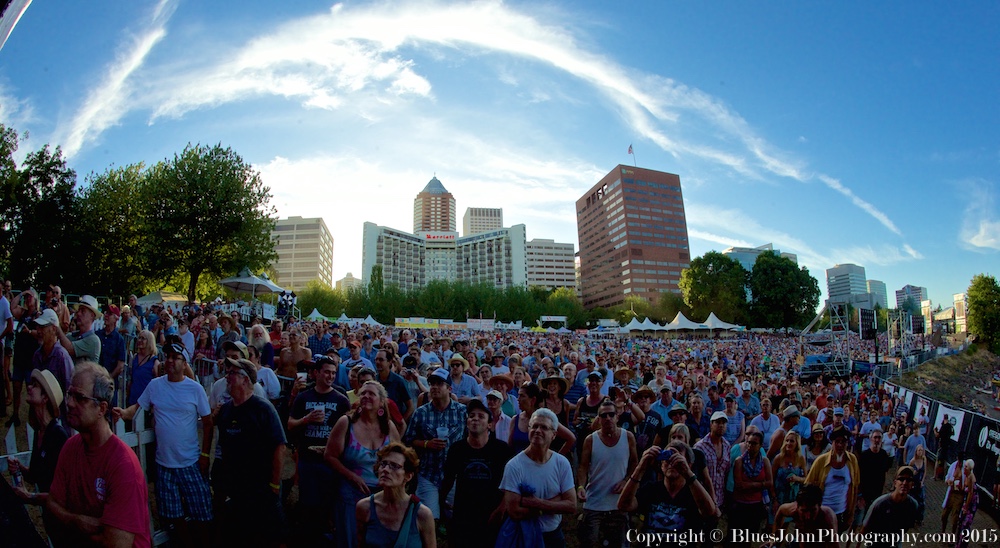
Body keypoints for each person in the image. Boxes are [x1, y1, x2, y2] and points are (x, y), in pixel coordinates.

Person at [113, 342, 214, 547]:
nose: (169, 360)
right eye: (167, 356)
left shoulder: (195, 389)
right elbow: (138, 407)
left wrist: (204, 455)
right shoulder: (155, 385)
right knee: (172, 515)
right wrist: (124, 413)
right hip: (164, 464)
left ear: (184, 363)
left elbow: (208, 421)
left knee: (202, 512)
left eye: (175, 357)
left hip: (190, 462)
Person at [47, 362, 151, 547]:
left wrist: (67, 521)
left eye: (80, 397)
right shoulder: (70, 447)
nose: (69, 403)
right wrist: (77, 521)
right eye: (70, 394)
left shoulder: (123, 465)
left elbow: (117, 543)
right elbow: (52, 504)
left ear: (102, 409)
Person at [215, 357, 287, 547]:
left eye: (232, 373)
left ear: (246, 379)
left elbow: (280, 446)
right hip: (236, 489)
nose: (227, 377)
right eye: (227, 372)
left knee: (271, 537)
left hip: (261, 489)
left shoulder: (263, 409)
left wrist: (274, 484)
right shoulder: (225, 411)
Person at [326, 380, 401, 548]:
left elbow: (399, 458)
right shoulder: (346, 423)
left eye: (371, 394)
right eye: (363, 393)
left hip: (382, 495)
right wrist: (353, 477)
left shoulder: (388, 426)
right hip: (351, 494)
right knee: (351, 540)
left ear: (382, 401)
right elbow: (330, 456)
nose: (366, 396)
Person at [287, 355, 350, 544]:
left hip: (330, 461)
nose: (330, 376)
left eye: (333, 373)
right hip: (307, 459)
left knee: (328, 504)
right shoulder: (304, 397)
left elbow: (348, 434)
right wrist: (306, 420)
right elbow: (290, 424)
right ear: (317, 373)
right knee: (307, 503)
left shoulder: (341, 400)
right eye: (327, 372)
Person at [499, 408, 577, 547]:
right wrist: (554, 503)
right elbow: (514, 512)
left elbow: (571, 506)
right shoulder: (514, 466)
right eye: (534, 426)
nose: (537, 430)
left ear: (554, 435)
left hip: (554, 535)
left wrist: (536, 503)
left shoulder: (561, 463)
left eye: (544, 427)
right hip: (524, 536)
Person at [440, 398, 512, 547]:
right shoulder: (456, 449)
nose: (475, 419)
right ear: (466, 422)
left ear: (490, 425)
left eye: (481, 416)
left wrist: (501, 509)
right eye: (471, 416)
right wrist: (442, 506)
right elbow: (447, 481)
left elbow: (511, 484)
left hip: (492, 515)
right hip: (463, 516)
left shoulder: (501, 450)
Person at [6, 369, 70, 533]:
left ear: (45, 398)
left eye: (34, 386)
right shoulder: (39, 432)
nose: (29, 387)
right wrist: (20, 468)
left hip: (63, 518)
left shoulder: (57, 436)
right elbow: (35, 475)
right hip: (50, 515)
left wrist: (29, 497)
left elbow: (62, 492)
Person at [403, 368, 467, 522]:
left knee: (455, 518)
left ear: (449, 389)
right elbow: (408, 440)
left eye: (439, 383)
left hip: (455, 474)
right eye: (432, 383)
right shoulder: (421, 412)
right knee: (428, 519)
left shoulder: (462, 412)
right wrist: (426, 444)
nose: (434, 387)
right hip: (428, 473)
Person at [617, 441, 719, 535]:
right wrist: (640, 468)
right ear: (661, 464)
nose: (671, 463)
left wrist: (688, 474)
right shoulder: (651, 490)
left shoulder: (694, 493)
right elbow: (623, 505)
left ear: (689, 464)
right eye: (666, 458)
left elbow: (709, 512)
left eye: (676, 458)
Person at [577, 399, 637, 548]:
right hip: (594, 502)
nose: (608, 418)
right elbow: (583, 467)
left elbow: (635, 463)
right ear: (599, 418)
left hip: (618, 503)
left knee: (618, 543)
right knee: (588, 542)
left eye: (611, 414)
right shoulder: (590, 440)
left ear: (617, 416)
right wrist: (580, 487)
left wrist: (626, 481)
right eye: (604, 415)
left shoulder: (628, 437)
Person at [355, 442, 436, 547]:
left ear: (408, 476)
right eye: (383, 464)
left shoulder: (422, 514)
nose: (386, 470)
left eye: (394, 466)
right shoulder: (365, 507)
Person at [804, 426, 859, 533]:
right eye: (837, 441)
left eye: (843, 442)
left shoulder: (852, 461)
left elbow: (855, 487)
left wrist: (851, 514)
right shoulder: (821, 461)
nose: (840, 445)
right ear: (832, 443)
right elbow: (807, 487)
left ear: (847, 443)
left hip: (841, 514)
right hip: (821, 513)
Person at [859, 466, 919, 548]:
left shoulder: (913, 505)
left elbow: (905, 528)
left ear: (912, 484)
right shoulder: (880, 503)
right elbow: (865, 528)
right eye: (901, 479)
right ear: (895, 483)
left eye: (909, 480)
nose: (904, 483)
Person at [509, 382, 575, 455]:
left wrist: (556, 458)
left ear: (533, 400)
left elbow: (571, 438)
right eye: (518, 395)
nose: (518, 399)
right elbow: (510, 447)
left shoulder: (546, 419)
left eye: (522, 396)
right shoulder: (515, 419)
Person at [6, 288, 40, 428]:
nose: (27, 300)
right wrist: (22, 293)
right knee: (17, 387)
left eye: (30, 297)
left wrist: (29, 332)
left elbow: (41, 334)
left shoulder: (38, 315)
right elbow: (12, 307)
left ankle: (32, 417)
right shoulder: (23, 313)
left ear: (36, 299)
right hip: (20, 357)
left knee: (31, 390)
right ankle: (15, 415)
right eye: (26, 298)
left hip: (30, 359)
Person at [731, 430, 773, 538]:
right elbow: (740, 485)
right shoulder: (739, 461)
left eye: (754, 443)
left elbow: (770, 482)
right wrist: (760, 484)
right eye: (748, 443)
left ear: (760, 445)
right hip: (741, 503)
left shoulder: (764, 461)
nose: (750, 446)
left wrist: (751, 485)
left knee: (750, 537)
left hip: (756, 504)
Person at [770, 485, 839, 548]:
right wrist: (774, 538)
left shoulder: (827, 518)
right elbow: (781, 511)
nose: (808, 516)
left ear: (819, 505)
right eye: (804, 511)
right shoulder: (793, 510)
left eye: (813, 511)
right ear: (797, 507)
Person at [693, 410, 731, 509]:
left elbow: (726, 472)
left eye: (723, 423)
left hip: (720, 497)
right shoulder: (699, 447)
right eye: (718, 422)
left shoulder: (727, 446)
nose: (721, 425)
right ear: (711, 424)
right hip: (703, 497)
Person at [858, 430, 893, 529]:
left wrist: (883, 492)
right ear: (871, 439)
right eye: (875, 437)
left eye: (879, 438)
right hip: (864, 494)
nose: (877, 440)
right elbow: (858, 477)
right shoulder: (864, 456)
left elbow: (885, 473)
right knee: (860, 522)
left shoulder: (884, 455)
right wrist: (859, 496)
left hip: (877, 493)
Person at [54, 295, 102, 364]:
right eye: (79, 310)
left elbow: (70, 349)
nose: (78, 313)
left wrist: (56, 323)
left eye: (83, 311)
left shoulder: (93, 340)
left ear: (92, 315)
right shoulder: (70, 336)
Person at [772, 430, 806, 511]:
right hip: (779, 497)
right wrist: (774, 499)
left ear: (797, 443)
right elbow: (771, 480)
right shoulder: (778, 458)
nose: (788, 443)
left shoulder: (801, 459)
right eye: (787, 440)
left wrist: (796, 478)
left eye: (791, 441)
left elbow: (806, 479)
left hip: (793, 498)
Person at [127, 330, 160, 407]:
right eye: (139, 338)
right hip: (132, 400)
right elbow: (131, 380)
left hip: (145, 404)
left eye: (143, 338)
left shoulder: (154, 362)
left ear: (149, 341)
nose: (139, 340)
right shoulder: (135, 357)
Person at [954, 459, 979, 548]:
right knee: (961, 523)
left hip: (971, 503)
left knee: (965, 524)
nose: (964, 468)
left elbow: (970, 493)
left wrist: (966, 506)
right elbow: (964, 489)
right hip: (966, 501)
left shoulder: (971, 477)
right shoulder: (966, 475)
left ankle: (962, 545)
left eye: (966, 467)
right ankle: (958, 543)